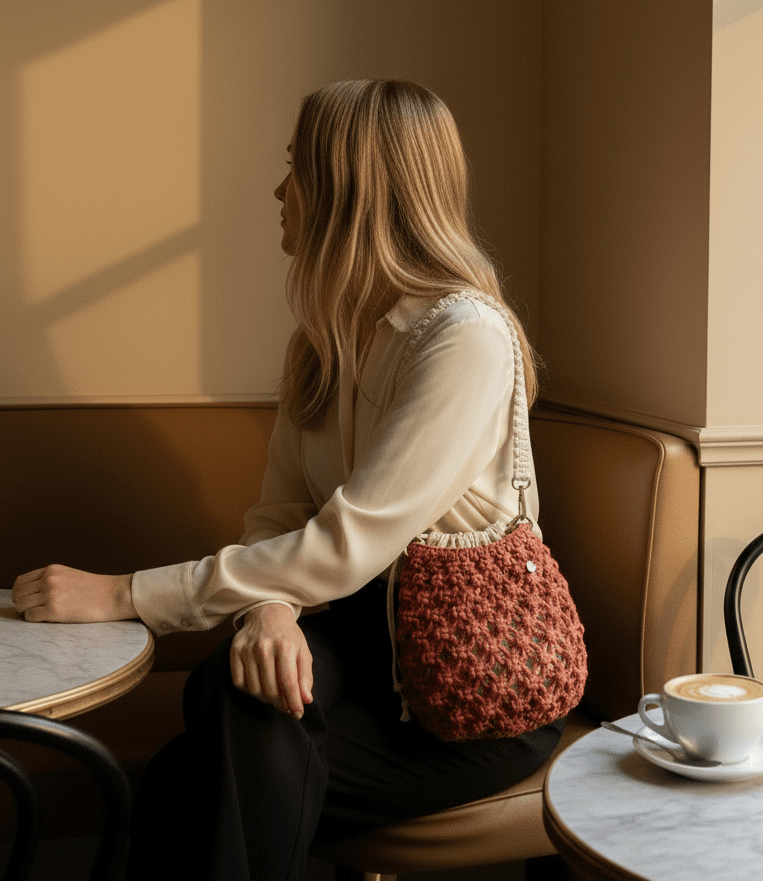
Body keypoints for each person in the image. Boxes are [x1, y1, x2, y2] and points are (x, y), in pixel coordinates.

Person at [11, 79, 563, 880]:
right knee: (236, 691)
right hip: (360, 645)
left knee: (193, 772)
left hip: (472, 693)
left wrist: (125, 592)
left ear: (350, 189)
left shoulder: (464, 337)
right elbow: (281, 515)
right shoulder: (322, 342)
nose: (279, 190)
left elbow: (345, 546)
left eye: (295, 167)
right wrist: (270, 612)